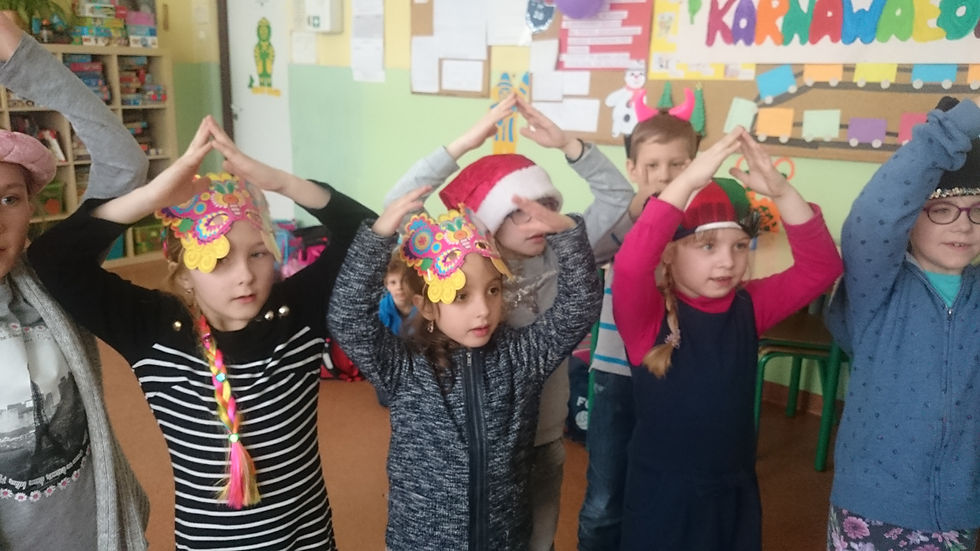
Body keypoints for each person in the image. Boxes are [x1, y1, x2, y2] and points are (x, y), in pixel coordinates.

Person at [27, 115, 376, 550]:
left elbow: (369, 234)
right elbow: (52, 258)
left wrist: (283, 183)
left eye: (258, 253)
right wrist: (150, 196)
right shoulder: (153, 329)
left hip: (306, 539)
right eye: (219, 260)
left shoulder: (297, 313)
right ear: (184, 273)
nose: (244, 275)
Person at [385, 93, 633, 551]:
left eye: (544, 205)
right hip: (476, 448)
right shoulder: (465, 265)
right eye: (518, 211)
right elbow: (398, 203)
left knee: (536, 541)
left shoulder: (564, 253)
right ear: (487, 220)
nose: (536, 221)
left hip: (543, 438)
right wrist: (463, 145)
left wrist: (570, 145)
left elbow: (619, 196)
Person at [327, 187, 602, 549]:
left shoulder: (523, 356)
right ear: (427, 306)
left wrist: (567, 233)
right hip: (423, 543)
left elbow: (580, 306)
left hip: (504, 540)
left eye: (493, 291)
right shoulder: (405, 366)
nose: (483, 310)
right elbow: (347, 318)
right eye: (461, 296)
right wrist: (377, 238)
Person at [612, 127, 842, 550]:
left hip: (733, 490)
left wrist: (781, 191)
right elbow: (629, 266)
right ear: (669, 252)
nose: (727, 262)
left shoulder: (748, 306)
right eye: (707, 246)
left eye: (739, 246)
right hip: (664, 497)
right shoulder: (646, 317)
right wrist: (685, 182)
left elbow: (822, 269)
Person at [0, 19, 148, 551]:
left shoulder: (54, 273)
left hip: (100, 531)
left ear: (31, 206)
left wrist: (26, 61)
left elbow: (124, 166)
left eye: (9, 199)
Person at [824, 96, 980, 551]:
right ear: (910, 219)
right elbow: (872, 220)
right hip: (872, 507)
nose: (964, 225)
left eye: (978, 209)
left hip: (959, 509)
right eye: (943, 209)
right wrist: (954, 128)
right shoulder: (877, 289)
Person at [578, 112, 699, 551]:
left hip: (678, 372)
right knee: (604, 496)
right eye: (652, 165)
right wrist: (632, 211)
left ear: (696, 165)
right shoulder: (624, 220)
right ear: (633, 168)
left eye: (677, 164)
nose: (663, 176)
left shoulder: (703, 222)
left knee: (666, 488)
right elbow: (585, 254)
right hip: (616, 371)